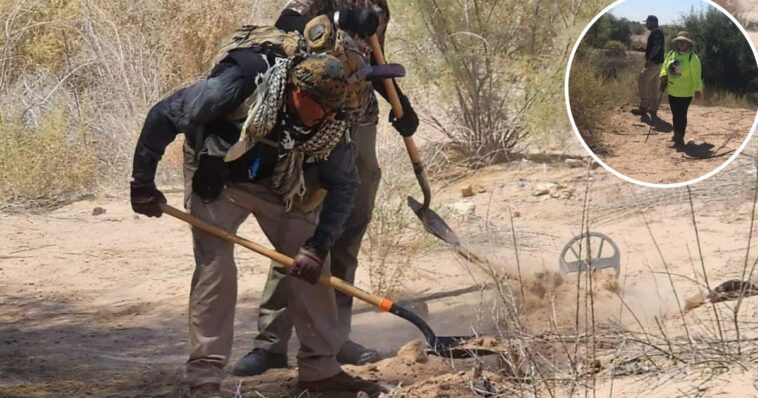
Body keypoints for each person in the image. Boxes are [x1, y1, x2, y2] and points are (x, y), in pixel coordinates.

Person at [130, 33, 386, 397]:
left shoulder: (329, 124)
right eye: (324, 108)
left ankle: (320, 370)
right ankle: (205, 377)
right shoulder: (238, 84)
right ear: (299, 91)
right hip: (218, 179)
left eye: (335, 110)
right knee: (215, 266)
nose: (329, 116)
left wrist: (316, 247)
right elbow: (164, 115)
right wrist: (141, 181)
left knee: (313, 263)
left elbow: (345, 187)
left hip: (281, 181)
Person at [232, 1, 420, 376]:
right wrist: (339, 19)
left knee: (348, 228)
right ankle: (271, 343)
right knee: (303, 230)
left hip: (361, 123)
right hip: (315, 122)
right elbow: (287, 25)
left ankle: (336, 338)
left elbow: (368, 59)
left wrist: (401, 103)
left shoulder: (379, 5)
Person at [659, 31, 703, 151]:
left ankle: (680, 138)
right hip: (672, 91)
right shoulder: (671, 54)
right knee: (674, 114)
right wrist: (663, 76)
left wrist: (698, 90)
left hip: (685, 93)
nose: (682, 43)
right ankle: (676, 134)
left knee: (681, 115)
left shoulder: (692, 58)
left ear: (688, 43)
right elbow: (664, 67)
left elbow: (697, 76)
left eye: (684, 41)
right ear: (677, 43)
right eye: (680, 41)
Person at [632, 15, 665, 119]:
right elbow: (656, 46)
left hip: (654, 62)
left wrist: (649, 59)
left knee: (642, 79)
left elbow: (657, 46)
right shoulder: (657, 32)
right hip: (658, 62)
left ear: (653, 22)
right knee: (653, 84)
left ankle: (643, 107)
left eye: (647, 22)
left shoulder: (656, 32)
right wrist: (644, 50)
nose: (646, 24)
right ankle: (653, 109)